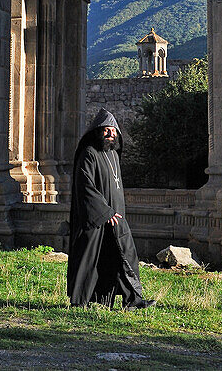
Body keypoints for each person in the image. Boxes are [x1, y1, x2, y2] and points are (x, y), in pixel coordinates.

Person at [67, 108, 155, 309]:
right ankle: (80, 301)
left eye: (113, 131)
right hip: (96, 220)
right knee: (89, 259)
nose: (110, 134)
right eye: (106, 130)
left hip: (117, 217)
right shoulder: (89, 154)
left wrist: (115, 212)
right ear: (98, 131)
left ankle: (133, 300)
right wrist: (104, 212)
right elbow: (85, 185)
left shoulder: (114, 155)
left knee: (125, 257)